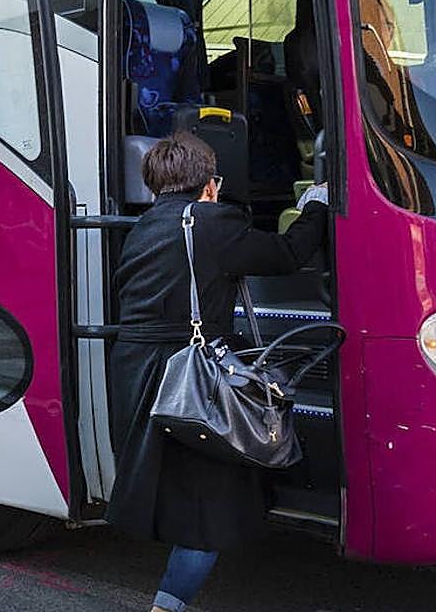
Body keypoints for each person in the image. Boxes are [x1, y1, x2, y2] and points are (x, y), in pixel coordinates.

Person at [106, 132, 329, 612]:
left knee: (186, 495)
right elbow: (287, 255)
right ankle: (167, 606)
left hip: (138, 373)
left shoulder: (141, 227)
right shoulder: (211, 222)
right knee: (206, 512)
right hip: (190, 381)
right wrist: (316, 206)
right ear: (209, 184)